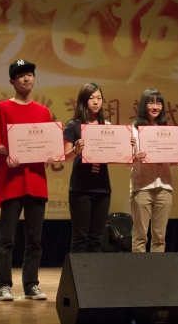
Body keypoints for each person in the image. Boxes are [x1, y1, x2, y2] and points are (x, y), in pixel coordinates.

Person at [0, 59, 51, 302]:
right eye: (21, 75)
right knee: (7, 239)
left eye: (30, 74)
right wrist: (11, 152)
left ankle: (31, 285)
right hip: (11, 182)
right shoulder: (1, 109)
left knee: (35, 240)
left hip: (36, 181)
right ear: (12, 81)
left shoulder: (43, 111)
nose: (26, 78)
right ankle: (4, 285)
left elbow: (48, 143)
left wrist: (49, 154)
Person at [63, 83, 111, 253]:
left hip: (102, 189)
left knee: (97, 239)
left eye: (99, 98)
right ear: (83, 101)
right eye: (91, 98)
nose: (96, 102)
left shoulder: (107, 126)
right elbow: (66, 157)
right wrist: (76, 150)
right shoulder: (73, 125)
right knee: (80, 238)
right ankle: (78, 271)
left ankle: (94, 271)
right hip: (80, 189)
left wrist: (126, 145)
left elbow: (114, 153)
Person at [128, 88, 173, 253]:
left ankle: (157, 270)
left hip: (164, 186)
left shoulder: (168, 131)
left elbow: (174, 160)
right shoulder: (133, 130)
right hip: (142, 187)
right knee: (140, 237)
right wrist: (135, 158)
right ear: (143, 105)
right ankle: (139, 270)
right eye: (151, 103)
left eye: (159, 103)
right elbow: (127, 163)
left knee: (160, 238)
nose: (155, 107)